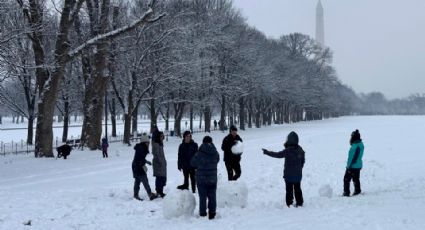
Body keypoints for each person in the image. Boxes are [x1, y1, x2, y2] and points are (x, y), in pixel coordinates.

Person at [262, 131, 305, 208]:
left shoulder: (288, 151)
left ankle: (289, 203)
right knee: (297, 189)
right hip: (298, 175)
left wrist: (267, 152)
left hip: (288, 176)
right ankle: (300, 202)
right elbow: (303, 161)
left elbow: (277, 155)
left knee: (289, 190)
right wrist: (299, 169)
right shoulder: (300, 150)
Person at [191, 136, 220, 220]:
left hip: (201, 179)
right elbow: (217, 160)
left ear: (203, 142)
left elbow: (193, 163)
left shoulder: (200, 153)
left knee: (202, 197)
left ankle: (203, 213)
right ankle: (212, 213)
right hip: (213, 178)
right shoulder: (215, 152)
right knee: (212, 196)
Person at [132, 134, 157, 201]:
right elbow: (140, 158)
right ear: (144, 142)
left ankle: (135, 195)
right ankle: (150, 194)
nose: (148, 144)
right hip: (138, 167)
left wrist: (146, 162)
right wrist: (143, 164)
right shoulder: (141, 148)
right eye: (147, 142)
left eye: (148, 142)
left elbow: (141, 158)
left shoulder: (141, 147)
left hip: (136, 166)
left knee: (137, 181)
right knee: (144, 180)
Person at [343, 129, 364, 197]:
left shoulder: (355, 146)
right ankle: (357, 191)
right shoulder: (361, 144)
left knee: (346, 179)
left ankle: (346, 193)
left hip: (353, 166)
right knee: (356, 179)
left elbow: (351, 158)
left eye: (351, 137)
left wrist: (348, 166)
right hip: (358, 165)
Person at [152, 131, 167, 198]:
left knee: (162, 177)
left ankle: (160, 191)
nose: (162, 137)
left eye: (162, 136)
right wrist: (161, 162)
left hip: (162, 163)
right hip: (158, 164)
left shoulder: (160, 143)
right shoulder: (156, 144)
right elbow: (156, 155)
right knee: (159, 178)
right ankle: (159, 191)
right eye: (161, 136)